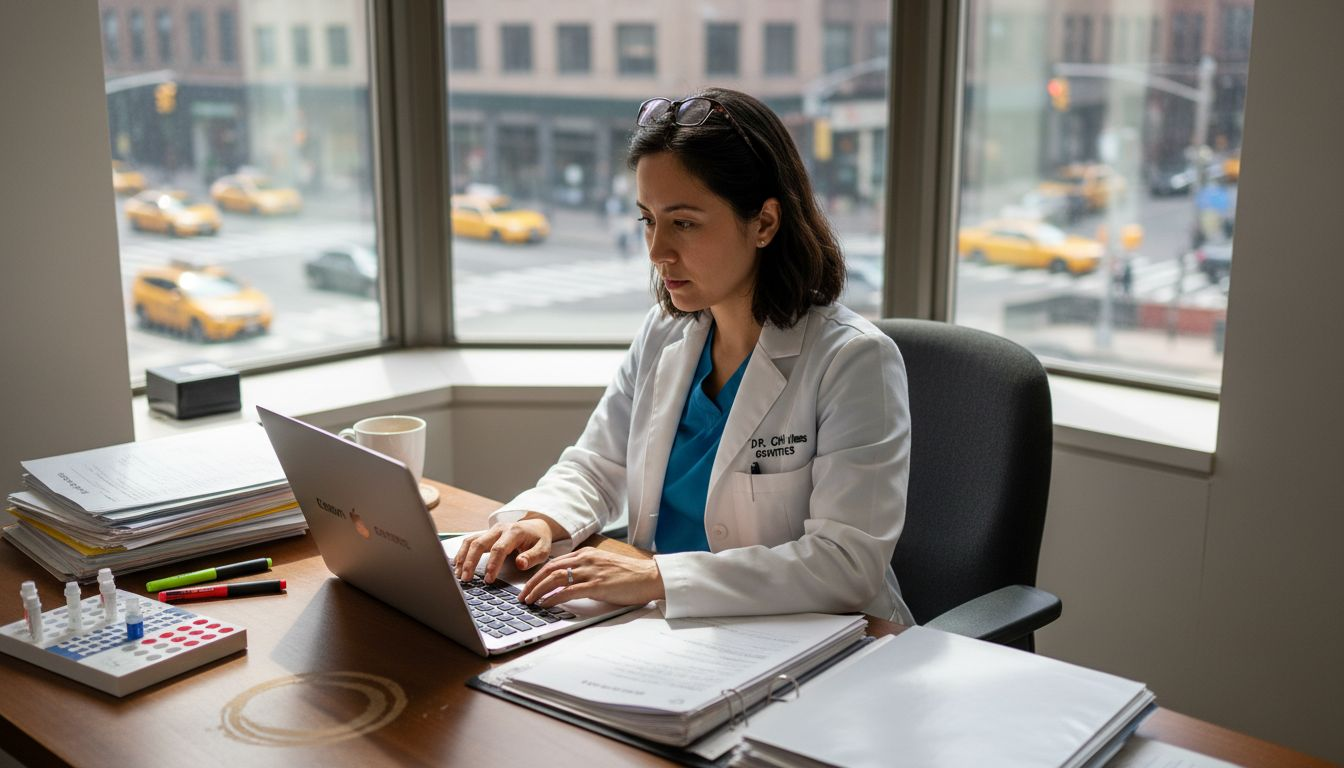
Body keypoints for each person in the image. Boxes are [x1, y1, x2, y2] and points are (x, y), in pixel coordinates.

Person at [453, 88, 914, 624]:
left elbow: (846, 565)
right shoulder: (665, 332)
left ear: (764, 224)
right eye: (648, 219)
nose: (656, 251)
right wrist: (539, 519)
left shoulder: (854, 362)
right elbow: (599, 464)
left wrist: (656, 578)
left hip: (812, 642)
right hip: (670, 629)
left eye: (684, 222)